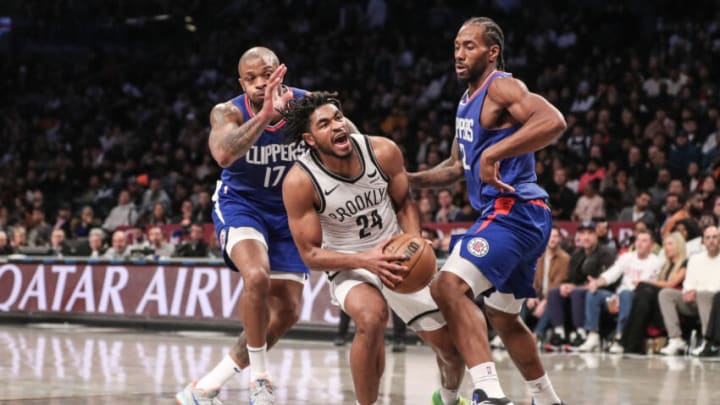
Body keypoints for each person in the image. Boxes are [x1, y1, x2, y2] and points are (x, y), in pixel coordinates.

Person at [176, 48, 358, 405]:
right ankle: (260, 378)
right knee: (256, 276)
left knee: (288, 312)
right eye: (252, 78)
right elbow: (224, 155)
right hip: (242, 204)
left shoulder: (308, 107)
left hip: (291, 212)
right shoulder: (228, 111)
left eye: (267, 74)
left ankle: (206, 386)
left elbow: (353, 143)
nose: (261, 83)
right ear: (241, 82)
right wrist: (265, 116)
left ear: (281, 72)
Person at [408, 17, 566, 405]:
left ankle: (489, 393)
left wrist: (495, 152)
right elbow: (454, 167)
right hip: (520, 216)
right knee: (504, 317)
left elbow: (554, 121)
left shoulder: (502, 86)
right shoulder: (465, 102)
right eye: (457, 47)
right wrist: (406, 179)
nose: (459, 54)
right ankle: (547, 400)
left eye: (469, 47)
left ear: (492, 51)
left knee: (448, 286)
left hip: (514, 209)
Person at [281, 92, 469, 405]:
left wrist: (414, 242)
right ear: (310, 138)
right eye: (324, 124)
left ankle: (448, 399)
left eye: (338, 118)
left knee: (452, 350)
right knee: (372, 318)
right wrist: (365, 260)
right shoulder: (300, 182)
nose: (336, 126)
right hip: (347, 262)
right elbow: (310, 255)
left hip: (395, 253)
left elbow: (404, 203)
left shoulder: (382, 151)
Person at [576, 230, 662, 353]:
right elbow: (612, 274)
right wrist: (596, 282)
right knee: (593, 293)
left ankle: (620, 336)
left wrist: (619, 297)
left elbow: (644, 286)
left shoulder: (655, 262)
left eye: (644, 241)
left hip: (636, 299)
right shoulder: (627, 257)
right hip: (617, 297)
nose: (639, 244)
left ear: (652, 245)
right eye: (638, 240)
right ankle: (593, 335)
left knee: (626, 294)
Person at [658, 225, 720, 355]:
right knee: (666, 294)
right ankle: (675, 339)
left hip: (714, 303)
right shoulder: (695, 259)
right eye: (708, 238)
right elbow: (689, 282)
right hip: (694, 300)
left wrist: (698, 292)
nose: (711, 240)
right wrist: (688, 291)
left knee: (704, 295)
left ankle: (706, 340)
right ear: (703, 241)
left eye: (715, 237)